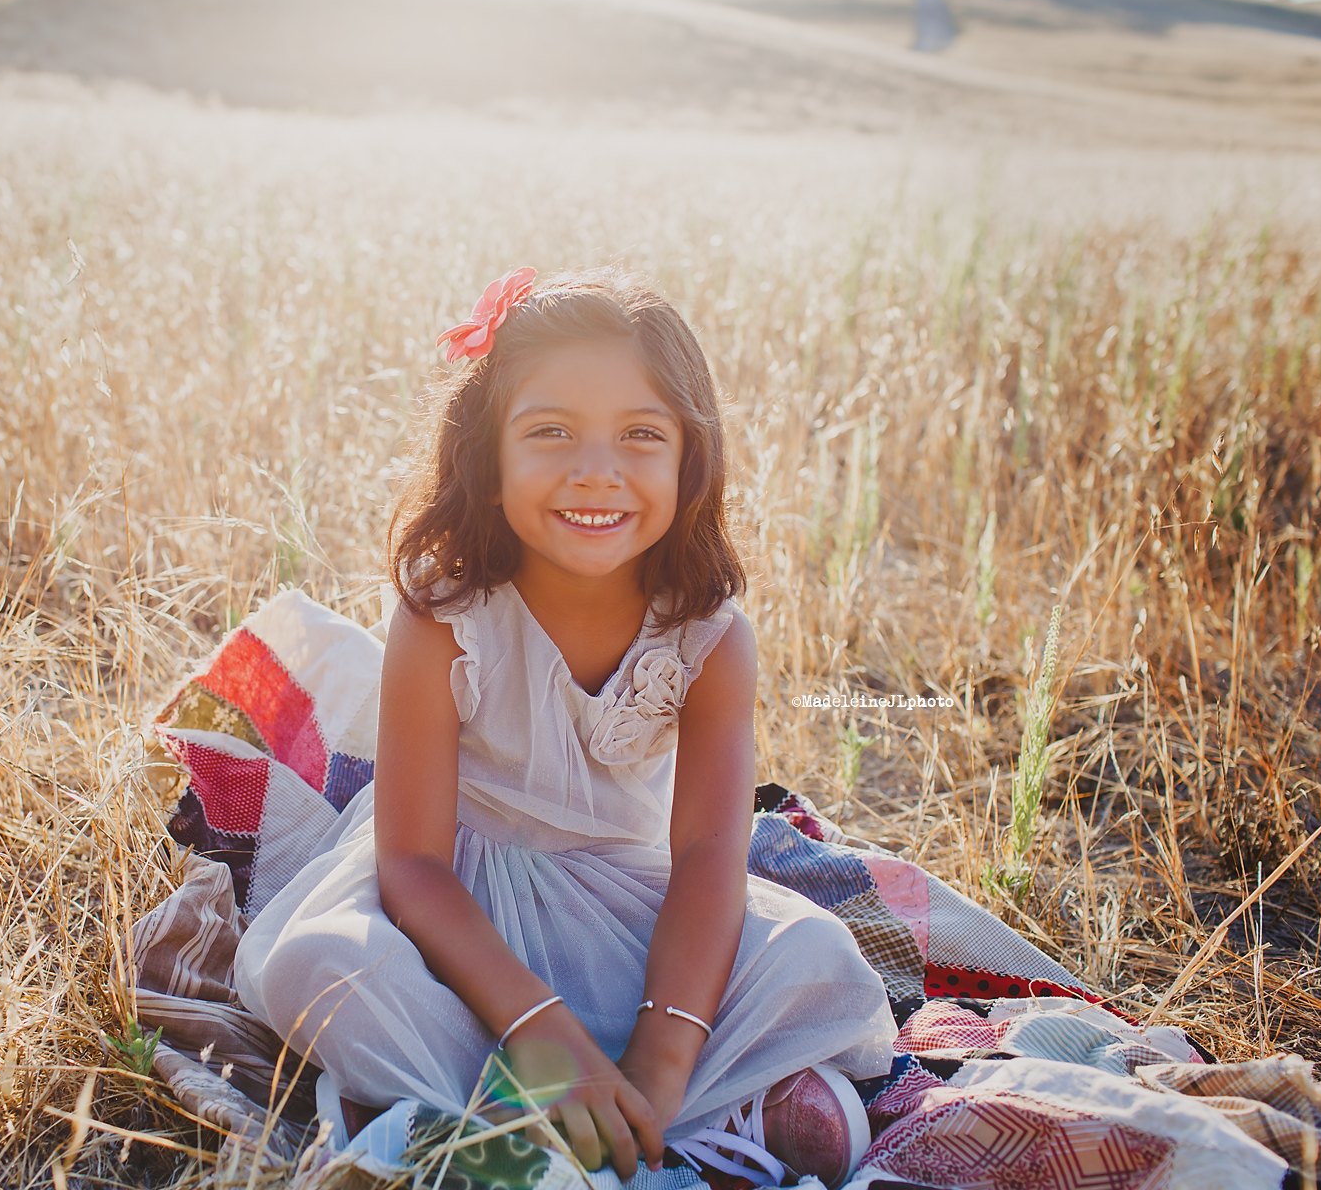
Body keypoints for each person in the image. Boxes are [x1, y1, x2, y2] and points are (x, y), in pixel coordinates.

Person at [235, 267, 897, 1187]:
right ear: (488, 456)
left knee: (814, 958)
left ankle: (653, 1115)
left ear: (687, 459)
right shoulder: (446, 616)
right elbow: (413, 866)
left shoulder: (708, 638)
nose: (598, 471)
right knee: (326, 971)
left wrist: (664, 1060)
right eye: (550, 432)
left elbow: (711, 856)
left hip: (635, 910)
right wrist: (540, 1035)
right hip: (454, 906)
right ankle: (511, 1122)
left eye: (640, 435)